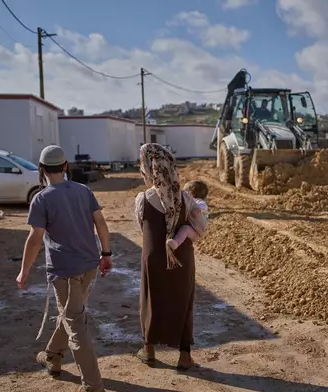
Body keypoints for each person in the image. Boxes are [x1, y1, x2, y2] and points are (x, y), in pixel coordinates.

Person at [16, 145, 112, 392]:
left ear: (41, 169)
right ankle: (52, 356)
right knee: (72, 313)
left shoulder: (42, 199)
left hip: (64, 272)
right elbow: (100, 223)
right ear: (65, 166)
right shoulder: (83, 191)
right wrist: (106, 253)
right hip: (89, 265)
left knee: (76, 326)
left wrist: (24, 271)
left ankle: (93, 385)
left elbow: (35, 239)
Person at [134, 143, 205, 371]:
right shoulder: (186, 199)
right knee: (183, 302)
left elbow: (141, 227)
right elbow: (201, 228)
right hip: (182, 257)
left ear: (149, 169)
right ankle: (184, 356)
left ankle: (149, 349)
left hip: (153, 257)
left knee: (151, 300)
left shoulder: (142, 199)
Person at [166, 180, 209, 250]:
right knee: (184, 229)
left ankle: (175, 243)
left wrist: (196, 210)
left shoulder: (200, 202)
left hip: (196, 232)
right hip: (194, 228)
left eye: (185, 193)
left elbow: (198, 211)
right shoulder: (193, 202)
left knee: (185, 229)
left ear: (190, 194)